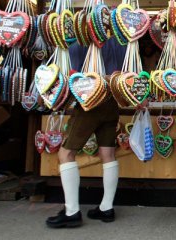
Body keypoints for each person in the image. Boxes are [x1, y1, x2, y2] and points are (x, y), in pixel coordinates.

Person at [46, 38, 126, 228]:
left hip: (89, 100)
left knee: (66, 153)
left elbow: (71, 74)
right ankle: (106, 207)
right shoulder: (120, 39)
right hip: (111, 100)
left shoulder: (81, 36)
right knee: (108, 154)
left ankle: (71, 211)